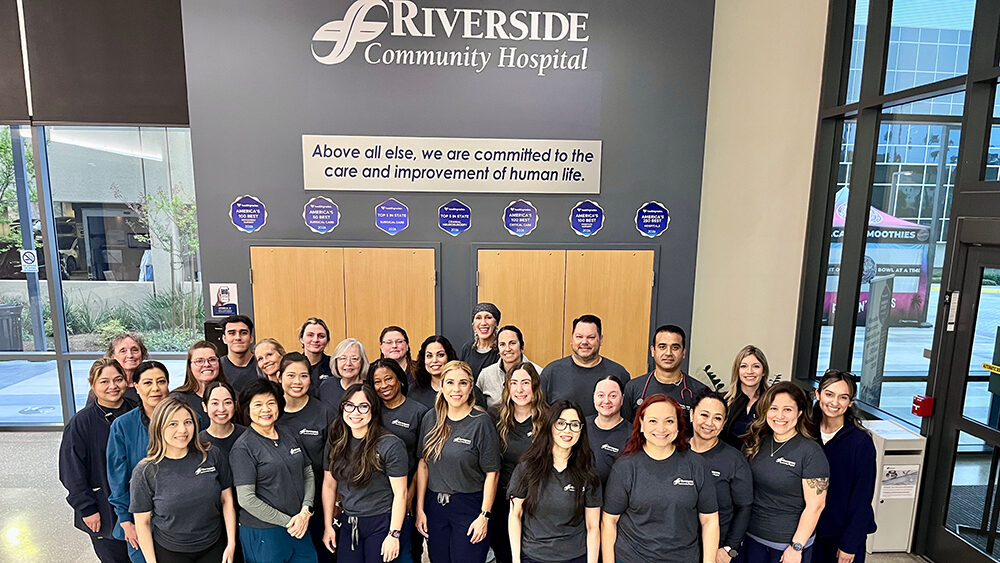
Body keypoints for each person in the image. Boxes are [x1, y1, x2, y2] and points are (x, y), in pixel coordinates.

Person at [601, 394, 720, 563]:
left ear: (678, 425)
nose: (661, 428)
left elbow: (710, 520)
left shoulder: (696, 465)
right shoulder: (625, 467)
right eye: (653, 421)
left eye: (669, 421)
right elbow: (609, 521)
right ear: (641, 424)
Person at [130, 397, 237, 563]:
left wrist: (231, 543)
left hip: (214, 546)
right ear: (159, 426)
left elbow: (227, 499)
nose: (183, 430)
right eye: (173, 424)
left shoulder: (211, 455)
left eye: (188, 422)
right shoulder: (145, 471)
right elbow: (142, 522)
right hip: (171, 551)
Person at [416, 361, 501, 563]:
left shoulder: (481, 422)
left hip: (469, 506)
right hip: (435, 506)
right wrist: (419, 509)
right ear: (441, 385)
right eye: (450, 382)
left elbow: (493, 473)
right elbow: (423, 465)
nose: (456, 389)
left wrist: (484, 516)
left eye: (463, 383)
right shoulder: (430, 418)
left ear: (471, 387)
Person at [230, 379, 318, 563]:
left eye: (271, 403)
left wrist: (305, 511)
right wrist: (289, 522)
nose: (266, 409)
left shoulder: (289, 433)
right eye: (258, 404)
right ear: (247, 409)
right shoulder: (243, 448)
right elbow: (246, 499)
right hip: (265, 532)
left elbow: (308, 473)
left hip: (300, 525)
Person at [321, 384, 409, 563]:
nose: (355, 412)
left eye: (363, 406)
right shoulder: (337, 441)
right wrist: (328, 525)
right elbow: (329, 485)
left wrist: (394, 535)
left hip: (381, 521)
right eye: (349, 406)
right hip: (349, 521)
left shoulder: (390, 445)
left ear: (373, 409)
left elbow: (401, 493)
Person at [742, 382, 829, 563]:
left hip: (787, 547)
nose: (780, 416)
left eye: (788, 410)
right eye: (773, 408)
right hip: (751, 538)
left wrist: (797, 547)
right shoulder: (756, 443)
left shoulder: (811, 452)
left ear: (799, 412)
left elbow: (816, 506)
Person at [60, 359, 135, 563]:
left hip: (136, 502)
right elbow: (71, 471)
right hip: (102, 508)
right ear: (92, 385)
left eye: (118, 379)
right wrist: (87, 508)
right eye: (104, 381)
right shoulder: (81, 423)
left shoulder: (137, 411)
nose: (113, 386)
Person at [509, 400, 601, 563]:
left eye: (574, 425)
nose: (568, 430)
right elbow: (515, 515)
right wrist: (516, 560)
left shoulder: (588, 474)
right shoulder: (527, 467)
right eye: (561, 423)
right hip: (534, 556)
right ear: (550, 426)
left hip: (575, 556)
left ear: (581, 430)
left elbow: (593, 527)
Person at [107, 361, 171, 563]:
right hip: (140, 516)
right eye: (148, 382)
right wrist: (125, 520)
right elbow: (117, 476)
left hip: (179, 518)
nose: (156, 388)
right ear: (135, 386)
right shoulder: (123, 425)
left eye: (161, 381)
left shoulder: (186, 420)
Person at [276, 352, 337, 563]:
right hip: (281, 505)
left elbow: (335, 461)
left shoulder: (325, 413)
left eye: (303, 376)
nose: (297, 382)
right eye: (291, 375)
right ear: (279, 377)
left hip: (319, 502)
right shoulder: (270, 413)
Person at [367, 358, 428, 563]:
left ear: (399, 379)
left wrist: (410, 495)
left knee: (408, 550)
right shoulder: (370, 411)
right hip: (375, 498)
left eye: (388, 379)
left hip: (407, 491)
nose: (383, 385)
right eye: (377, 382)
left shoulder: (419, 412)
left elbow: (423, 460)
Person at [813, 370, 877, 563]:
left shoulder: (861, 442)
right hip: (808, 532)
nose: (834, 402)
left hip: (841, 535)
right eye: (829, 394)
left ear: (851, 402)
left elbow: (862, 497)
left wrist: (850, 543)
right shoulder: (806, 432)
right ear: (818, 394)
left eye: (843, 397)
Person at [491, 362, 547, 563]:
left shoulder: (548, 418)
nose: (519, 389)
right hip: (502, 499)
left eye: (525, 383)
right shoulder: (494, 416)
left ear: (535, 386)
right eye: (514, 383)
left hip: (537, 501)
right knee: (504, 553)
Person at [689, 391, 753, 563]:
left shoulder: (733, 459)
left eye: (717, 418)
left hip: (717, 550)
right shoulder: (677, 452)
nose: (709, 423)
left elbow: (745, 507)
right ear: (692, 414)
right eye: (704, 415)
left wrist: (729, 548)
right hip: (679, 549)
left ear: (724, 424)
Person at [540, 315, 630, 418]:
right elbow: (540, 414)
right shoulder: (551, 372)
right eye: (579, 337)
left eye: (591, 337)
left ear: (601, 340)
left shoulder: (619, 373)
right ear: (572, 339)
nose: (584, 342)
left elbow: (627, 417)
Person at [622, 325, 708, 422]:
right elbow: (625, 427)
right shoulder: (633, 387)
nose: (668, 353)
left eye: (675, 347)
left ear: (683, 352)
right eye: (662, 347)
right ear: (653, 351)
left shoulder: (700, 392)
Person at [477, 325, 542, 410]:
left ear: (521, 346)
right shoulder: (486, 375)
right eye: (502, 344)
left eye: (512, 343)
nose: (507, 349)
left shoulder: (539, 373)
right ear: (498, 349)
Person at [171, 341, 230, 428]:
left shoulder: (230, 395)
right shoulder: (176, 399)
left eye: (212, 360)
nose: (207, 365)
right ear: (190, 366)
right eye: (199, 361)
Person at [722, 345, 770, 449]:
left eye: (756, 366)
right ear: (737, 371)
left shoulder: (772, 402)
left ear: (764, 371)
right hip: (729, 457)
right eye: (744, 366)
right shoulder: (724, 401)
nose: (750, 371)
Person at [586, 376, 631, 487]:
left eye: (613, 396)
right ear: (594, 397)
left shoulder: (632, 434)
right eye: (601, 395)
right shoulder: (580, 426)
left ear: (622, 399)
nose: (606, 401)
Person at [318, 338, 370, 411]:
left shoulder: (370, 389)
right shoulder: (326, 386)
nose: (348, 363)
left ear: (362, 362)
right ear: (336, 362)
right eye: (343, 358)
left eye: (354, 358)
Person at [199, 381, 247, 459]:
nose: (221, 409)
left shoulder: (247, 436)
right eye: (215, 403)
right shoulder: (199, 442)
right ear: (204, 406)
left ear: (235, 405)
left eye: (227, 402)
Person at [408, 335, 457, 409]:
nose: (434, 360)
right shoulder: (413, 390)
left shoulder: (461, 388)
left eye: (440, 355)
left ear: (449, 357)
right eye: (429, 356)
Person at [459, 302, 502, 380]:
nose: (483, 323)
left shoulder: (502, 349)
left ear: (496, 322)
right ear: (473, 324)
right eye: (478, 318)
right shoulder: (467, 348)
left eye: (488, 317)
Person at [220, 315, 258, 392]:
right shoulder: (217, 367)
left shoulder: (263, 364)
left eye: (243, 333)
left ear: (251, 338)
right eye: (232, 333)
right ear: (224, 338)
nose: (238, 338)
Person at [300, 317, 334, 391]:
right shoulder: (293, 365)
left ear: (327, 340)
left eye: (321, 336)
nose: (315, 340)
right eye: (310, 335)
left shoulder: (334, 365)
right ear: (301, 339)